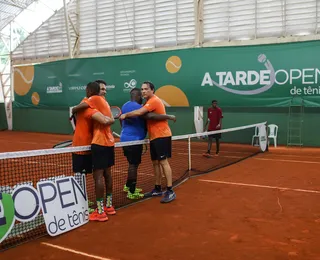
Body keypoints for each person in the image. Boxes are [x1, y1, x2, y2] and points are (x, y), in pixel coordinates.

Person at [120, 81, 176, 204]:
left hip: (162, 135)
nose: (144, 91)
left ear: (152, 90)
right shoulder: (147, 103)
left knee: (163, 162)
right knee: (155, 163)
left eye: (146, 89)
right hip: (154, 137)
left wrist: (125, 115)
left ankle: (170, 190)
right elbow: (147, 116)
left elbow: (143, 114)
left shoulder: (154, 101)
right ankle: (157, 188)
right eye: (142, 89)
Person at [72, 81, 116, 222]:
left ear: (89, 90)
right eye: (102, 89)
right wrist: (111, 120)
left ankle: (100, 211)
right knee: (107, 174)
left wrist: (73, 110)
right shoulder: (104, 103)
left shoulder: (93, 101)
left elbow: (101, 119)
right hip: (107, 143)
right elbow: (108, 120)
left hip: (97, 143)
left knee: (96, 177)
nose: (104, 91)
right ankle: (108, 206)